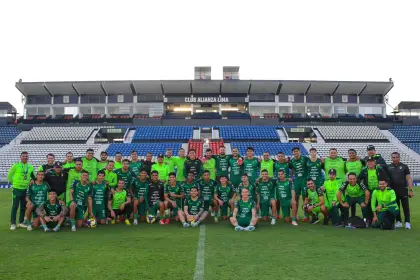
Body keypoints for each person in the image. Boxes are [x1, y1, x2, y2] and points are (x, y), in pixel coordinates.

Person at [8, 151, 35, 230]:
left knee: (23, 207)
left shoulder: (30, 166)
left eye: (26, 156)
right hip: (16, 189)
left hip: (25, 189)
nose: (25, 157)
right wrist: (14, 184)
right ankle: (13, 223)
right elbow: (9, 176)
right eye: (23, 156)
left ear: (28, 157)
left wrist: (32, 180)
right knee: (15, 206)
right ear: (20, 157)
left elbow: (33, 176)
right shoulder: (16, 165)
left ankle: (20, 222)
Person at [358, 157, 388, 224]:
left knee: (378, 205)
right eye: (368, 162)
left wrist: (383, 188)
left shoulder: (379, 169)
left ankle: (379, 219)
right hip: (369, 190)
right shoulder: (364, 170)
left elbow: (386, 179)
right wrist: (364, 189)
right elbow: (359, 180)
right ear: (366, 163)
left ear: (374, 162)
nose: (370, 163)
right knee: (368, 206)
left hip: (378, 191)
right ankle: (368, 220)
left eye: (371, 162)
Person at [387, 152, 413, 229]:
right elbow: (387, 179)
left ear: (399, 157)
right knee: (396, 207)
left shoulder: (404, 166)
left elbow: (408, 178)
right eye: (393, 157)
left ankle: (407, 222)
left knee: (405, 207)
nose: (395, 159)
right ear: (391, 158)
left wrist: (411, 190)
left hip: (403, 189)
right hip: (393, 191)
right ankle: (398, 222)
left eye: (396, 157)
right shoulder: (388, 167)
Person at [289, 146, 309, 222]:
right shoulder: (292, 161)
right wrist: (291, 177)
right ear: (292, 153)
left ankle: (305, 215)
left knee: (305, 198)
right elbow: (293, 169)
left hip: (304, 180)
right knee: (296, 198)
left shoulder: (305, 158)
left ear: (299, 152)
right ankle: (296, 215)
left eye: (297, 151)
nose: (296, 152)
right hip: (297, 180)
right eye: (294, 151)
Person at [345, 149, 364, 218]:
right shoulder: (346, 162)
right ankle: (353, 216)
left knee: (361, 200)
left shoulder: (360, 161)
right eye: (350, 153)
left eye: (353, 153)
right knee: (352, 198)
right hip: (351, 182)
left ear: (356, 154)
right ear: (348, 154)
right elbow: (345, 171)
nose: (351, 154)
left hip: (359, 182)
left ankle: (365, 218)